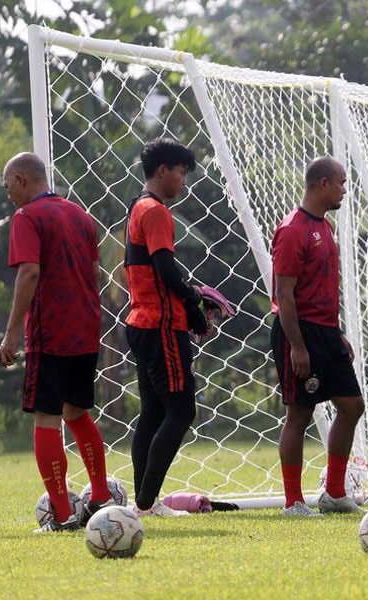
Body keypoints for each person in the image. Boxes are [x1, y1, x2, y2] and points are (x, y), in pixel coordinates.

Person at [0, 152, 114, 532]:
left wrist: (13, 332)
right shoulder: (80, 215)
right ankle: (99, 497)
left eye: (7, 186)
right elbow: (95, 271)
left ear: (21, 180)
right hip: (85, 329)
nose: (8, 195)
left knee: (47, 420)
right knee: (76, 412)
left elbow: (30, 272)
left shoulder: (27, 217)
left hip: (51, 331)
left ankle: (61, 516)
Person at [271, 157, 366, 516]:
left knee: (352, 406)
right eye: (342, 182)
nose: (345, 189)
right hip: (300, 334)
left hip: (326, 333)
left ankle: (335, 492)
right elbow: (284, 294)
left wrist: (336, 331)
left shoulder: (323, 227)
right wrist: (297, 345)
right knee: (300, 414)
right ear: (323, 183)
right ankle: (293, 501)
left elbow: (321, 288)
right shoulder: (293, 228)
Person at [124, 138, 210, 517]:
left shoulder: (136, 207)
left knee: (153, 413)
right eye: (181, 173)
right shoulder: (156, 211)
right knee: (181, 411)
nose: (183, 182)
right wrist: (194, 300)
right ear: (163, 171)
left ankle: (145, 503)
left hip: (141, 321)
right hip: (160, 325)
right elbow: (165, 269)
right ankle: (144, 503)